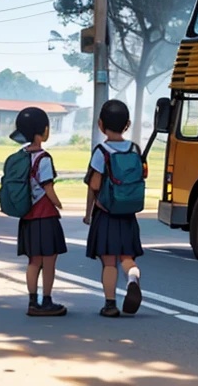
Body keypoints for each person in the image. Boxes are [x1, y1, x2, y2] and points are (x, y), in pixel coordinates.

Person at [84, 99, 144, 317]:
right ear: (127, 125)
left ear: (101, 124)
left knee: (109, 262)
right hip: (128, 214)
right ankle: (133, 278)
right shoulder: (135, 150)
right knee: (127, 258)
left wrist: (89, 212)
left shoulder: (102, 151)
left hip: (107, 212)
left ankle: (110, 305)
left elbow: (95, 185)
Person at [11, 107, 67, 317]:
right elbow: (47, 187)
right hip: (45, 215)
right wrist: (59, 204)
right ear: (41, 131)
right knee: (49, 260)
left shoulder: (20, 156)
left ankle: (32, 301)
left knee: (33, 261)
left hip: (27, 215)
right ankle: (47, 300)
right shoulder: (43, 157)